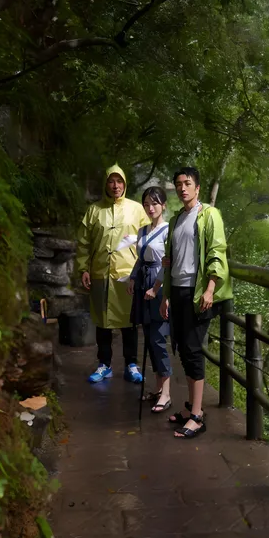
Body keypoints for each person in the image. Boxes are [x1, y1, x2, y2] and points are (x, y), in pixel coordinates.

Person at [160, 167, 232, 439]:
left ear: (198, 187)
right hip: (177, 291)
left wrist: (211, 288)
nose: (182, 188)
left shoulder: (209, 215)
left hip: (198, 291)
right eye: (178, 184)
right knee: (181, 346)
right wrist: (165, 296)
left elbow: (216, 252)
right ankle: (192, 407)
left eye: (187, 183)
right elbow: (170, 260)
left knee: (192, 349)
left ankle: (198, 418)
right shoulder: (177, 218)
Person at [76, 164, 149, 384]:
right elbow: (83, 243)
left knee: (129, 322)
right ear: (106, 184)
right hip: (100, 273)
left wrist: (145, 270)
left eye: (119, 181)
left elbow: (147, 241)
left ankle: (131, 364)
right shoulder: (94, 210)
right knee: (102, 321)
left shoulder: (137, 209)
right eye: (111, 181)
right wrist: (83, 268)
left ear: (124, 184)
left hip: (127, 275)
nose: (115, 185)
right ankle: (104, 364)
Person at [128, 186, 172, 413]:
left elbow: (168, 263)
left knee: (158, 338)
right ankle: (158, 389)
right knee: (149, 337)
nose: (150, 208)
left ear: (163, 205)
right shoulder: (143, 230)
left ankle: (166, 393)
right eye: (146, 204)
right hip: (143, 284)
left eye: (154, 203)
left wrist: (158, 289)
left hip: (158, 285)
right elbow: (140, 259)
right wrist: (134, 278)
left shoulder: (167, 231)